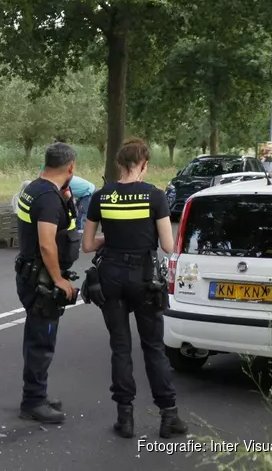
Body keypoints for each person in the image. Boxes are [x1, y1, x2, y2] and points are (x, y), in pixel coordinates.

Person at [81, 138, 187, 440]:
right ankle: (169, 417)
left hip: (110, 275)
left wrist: (111, 240)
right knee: (153, 347)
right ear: (143, 165)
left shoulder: (101, 196)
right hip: (144, 277)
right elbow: (167, 245)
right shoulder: (155, 196)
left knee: (120, 347)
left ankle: (124, 419)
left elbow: (88, 245)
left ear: (118, 164)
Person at [14, 142, 81, 424]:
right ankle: (33, 401)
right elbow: (46, 244)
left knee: (36, 336)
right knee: (42, 341)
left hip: (30, 274)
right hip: (42, 280)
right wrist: (59, 279)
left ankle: (36, 394)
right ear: (70, 167)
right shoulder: (48, 199)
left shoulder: (33, 189)